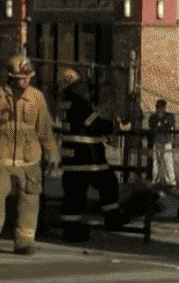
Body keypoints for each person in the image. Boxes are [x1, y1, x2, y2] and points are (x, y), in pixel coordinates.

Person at [0, 54, 59, 255]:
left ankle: (24, 241)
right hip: (0, 157)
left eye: (28, 76)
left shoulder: (36, 97)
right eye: (21, 77)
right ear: (11, 77)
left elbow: (45, 129)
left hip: (29, 160)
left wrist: (52, 152)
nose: (25, 80)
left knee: (29, 200)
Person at [58, 68, 125, 242]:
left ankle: (71, 228)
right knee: (108, 184)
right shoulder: (79, 102)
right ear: (73, 86)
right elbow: (94, 125)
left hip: (72, 157)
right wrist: (115, 127)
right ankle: (112, 220)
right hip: (87, 157)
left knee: (73, 194)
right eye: (79, 84)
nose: (82, 87)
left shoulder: (65, 102)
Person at [148, 99, 177, 190]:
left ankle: (171, 182)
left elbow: (169, 125)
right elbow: (152, 126)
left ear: (164, 107)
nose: (159, 109)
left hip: (167, 142)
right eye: (158, 107)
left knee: (168, 161)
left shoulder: (169, 116)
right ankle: (155, 181)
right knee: (156, 163)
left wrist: (161, 125)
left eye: (161, 107)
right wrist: (160, 124)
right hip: (157, 142)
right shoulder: (153, 117)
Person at [119, 92, 145, 183]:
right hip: (131, 134)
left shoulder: (138, 108)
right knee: (128, 155)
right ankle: (127, 175)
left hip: (137, 134)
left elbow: (140, 120)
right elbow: (125, 119)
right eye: (137, 97)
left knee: (136, 155)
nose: (139, 99)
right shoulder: (130, 107)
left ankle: (135, 175)